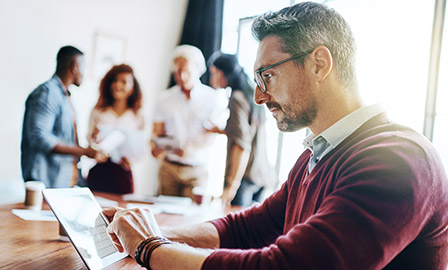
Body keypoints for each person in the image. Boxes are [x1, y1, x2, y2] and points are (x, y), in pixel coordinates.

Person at [104, 2, 448, 269]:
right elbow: (249, 229)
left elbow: (290, 266)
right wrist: (139, 229)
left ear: (318, 64)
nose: (259, 96)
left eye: (266, 76)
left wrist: (148, 247)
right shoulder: (315, 156)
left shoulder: (399, 159)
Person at [21, 45, 107, 188]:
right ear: (74, 66)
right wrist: (84, 151)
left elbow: (65, 138)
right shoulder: (47, 94)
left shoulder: (64, 96)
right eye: (83, 68)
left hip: (63, 181)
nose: (83, 73)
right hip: (45, 182)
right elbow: (39, 137)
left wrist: (90, 142)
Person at [150, 44, 225, 201]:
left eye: (186, 71)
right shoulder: (164, 99)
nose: (182, 76)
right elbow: (157, 133)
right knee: (165, 215)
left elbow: (213, 134)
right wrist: (155, 147)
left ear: (198, 70)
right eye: (177, 72)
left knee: (193, 219)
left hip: (196, 169)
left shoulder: (213, 98)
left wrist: (192, 148)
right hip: (168, 168)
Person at [207, 52, 276, 207]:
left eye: (213, 73)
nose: (211, 78)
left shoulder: (237, 98)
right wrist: (223, 130)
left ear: (223, 73)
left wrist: (232, 185)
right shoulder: (250, 93)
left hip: (244, 177)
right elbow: (248, 131)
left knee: (236, 227)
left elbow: (241, 144)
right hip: (261, 174)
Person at [86, 64, 144, 194]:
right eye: (114, 80)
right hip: (100, 172)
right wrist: (95, 141)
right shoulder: (98, 111)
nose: (118, 85)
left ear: (132, 88)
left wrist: (131, 160)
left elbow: (140, 148)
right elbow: (89, 141)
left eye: (124, 82)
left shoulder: (137, 116)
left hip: (123, 175)